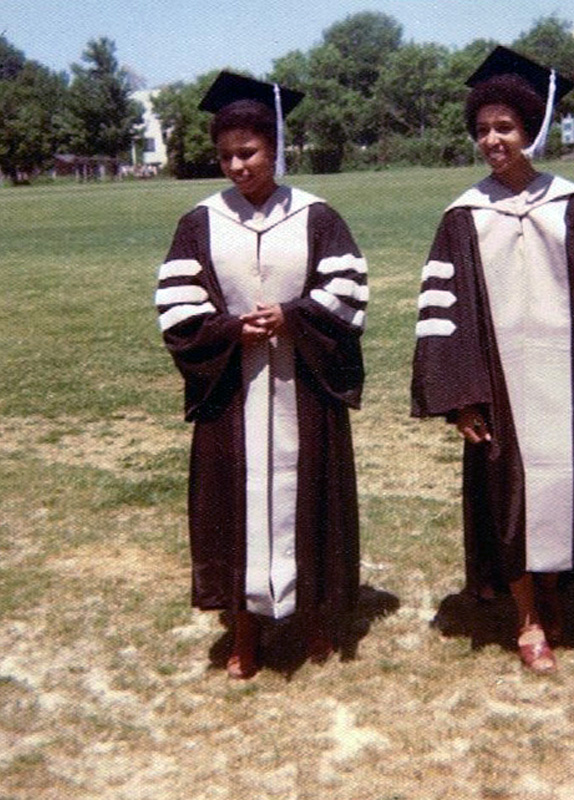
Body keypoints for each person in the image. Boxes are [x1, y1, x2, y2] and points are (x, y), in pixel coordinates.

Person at [411, 47, 574, 674]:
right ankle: (528, 617)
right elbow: (443, 318)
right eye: (482, 129)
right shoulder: (462, 216)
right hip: (499, 385)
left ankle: (554, 589)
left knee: (566, 487)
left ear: (531, 131)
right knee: (508, 496)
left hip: (568, 382)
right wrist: (461, 396)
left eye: (505, 128)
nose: (492, 140)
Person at [155, 71, 368, 679]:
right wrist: (227, 330)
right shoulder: (199, 221)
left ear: (275, 147)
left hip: (302, 386)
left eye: (247, 152)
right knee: (237, 506)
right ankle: (245, 628)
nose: (237, 166)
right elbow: (177, 304)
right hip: (234, 391)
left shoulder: (316, 216)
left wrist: (295, 315)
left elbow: (348, 290)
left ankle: (315, 619)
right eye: (225, 155)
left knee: (309, 497)